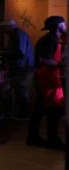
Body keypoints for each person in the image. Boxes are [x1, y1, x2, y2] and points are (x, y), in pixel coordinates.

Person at [27, 16, 66, 148]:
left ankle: (33, 137)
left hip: (48, 77)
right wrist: (61, 65)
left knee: (42, 107)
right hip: (48, 78)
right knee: (53, 109)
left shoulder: (51, 39)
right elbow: (44, 60)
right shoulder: (51, 40)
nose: (65, 24)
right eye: (63, 22)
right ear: (57, 26)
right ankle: (52, 139)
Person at [0, 19, 34, 118]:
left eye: (4, 28)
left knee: (20, 90)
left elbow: (20, 53)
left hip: (21, 67)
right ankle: (21, 112)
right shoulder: (17, 34)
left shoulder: (17, 35)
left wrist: (4, 53)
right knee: (20, 90)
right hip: (22, 66)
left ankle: (24, 114)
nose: (3, 31)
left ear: (9, 26)